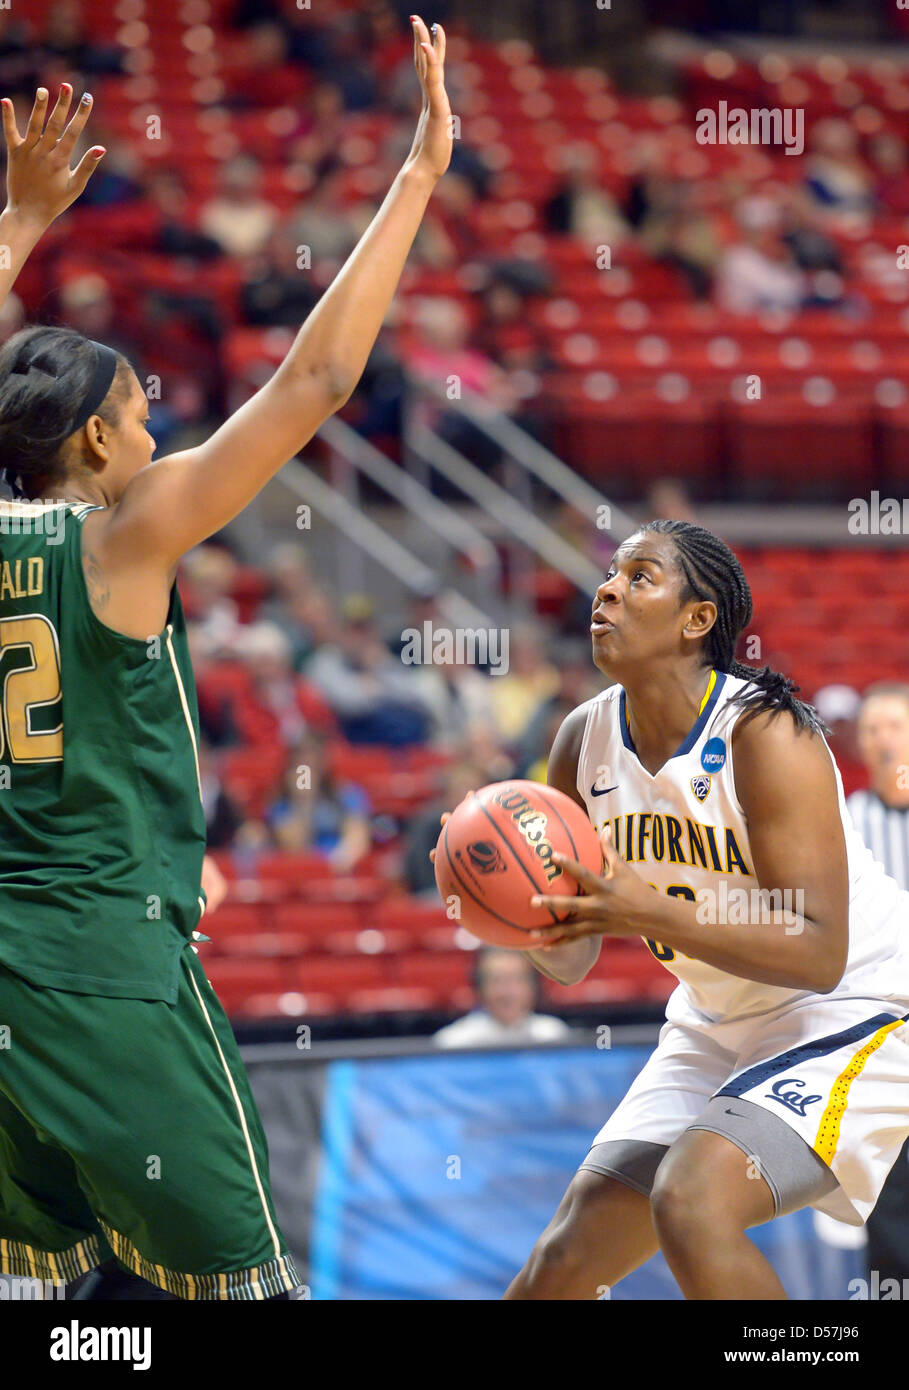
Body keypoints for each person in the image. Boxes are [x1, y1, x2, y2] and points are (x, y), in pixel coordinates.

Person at [0, 22, 451, 1302]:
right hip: (107, 960)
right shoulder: (124, 535)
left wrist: (18, 226)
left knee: (37, 1297)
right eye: (143, 412)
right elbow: (317, 377)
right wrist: (417, 173)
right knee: (248, 1289)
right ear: (92, 442)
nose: (160, 428)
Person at [487, 520, 909, 1300]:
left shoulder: (763, 730)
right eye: (609, 573)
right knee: (560, 1265)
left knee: (693, 1202)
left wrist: (645, 911)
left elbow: (817, 952)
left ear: (697, 620)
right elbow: (571, 959)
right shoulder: (582, 737)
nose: (606, 588)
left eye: (639, 576)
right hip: (716, 1022)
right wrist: (512, 909)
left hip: (859, 1005)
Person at [846, 683, 909, 1284]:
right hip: (884, 1031)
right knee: (890, 1195)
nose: (883, 739)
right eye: (872, 729)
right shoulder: (848, 821)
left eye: (894, 725)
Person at [434, 947, 572, 1049]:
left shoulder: (554, 1036)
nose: (506, 992)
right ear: (480, 988)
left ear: (533, 987)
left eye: (516, 980)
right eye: (496, 981)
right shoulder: (453, 1043)